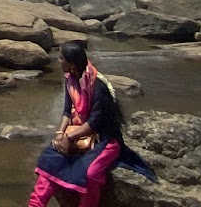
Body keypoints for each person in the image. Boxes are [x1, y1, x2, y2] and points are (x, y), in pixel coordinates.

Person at [28, 41, 156, 207]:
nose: (58, 61)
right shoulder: (70, 80)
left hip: (104, 139)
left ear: (72, 64)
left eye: (61, 58)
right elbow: (67, 111)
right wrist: (60, 134)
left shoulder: (97, 86)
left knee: (89, 174)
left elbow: (95, 122)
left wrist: (69, 137)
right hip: (77, 135)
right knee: (49, 160)